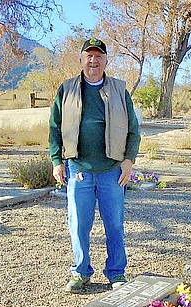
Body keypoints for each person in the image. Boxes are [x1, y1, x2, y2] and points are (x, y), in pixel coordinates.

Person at [49, 38, 140, 292]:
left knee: (115, 224)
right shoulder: (66, 90)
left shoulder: (119, 90)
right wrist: (57, 161)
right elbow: (55, 127)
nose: (93, 60)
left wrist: (128, 161)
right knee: (78, 224)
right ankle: (80, 272)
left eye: (98, 56)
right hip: (78, 170)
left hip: (112, 171)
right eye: (88, 56)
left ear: (106, 61)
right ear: (81, 60)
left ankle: (116, 272)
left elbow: (134, 130)